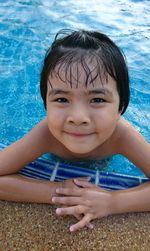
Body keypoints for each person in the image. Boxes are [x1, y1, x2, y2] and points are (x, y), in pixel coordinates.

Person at [0, 29, 150, 233]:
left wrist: (112, 202)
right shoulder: (46, 133)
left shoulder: (122, 135)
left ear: (120, 108)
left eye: (98, 100)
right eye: (61, 99)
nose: (78, 117)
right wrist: (57, 191)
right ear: (46, 105)